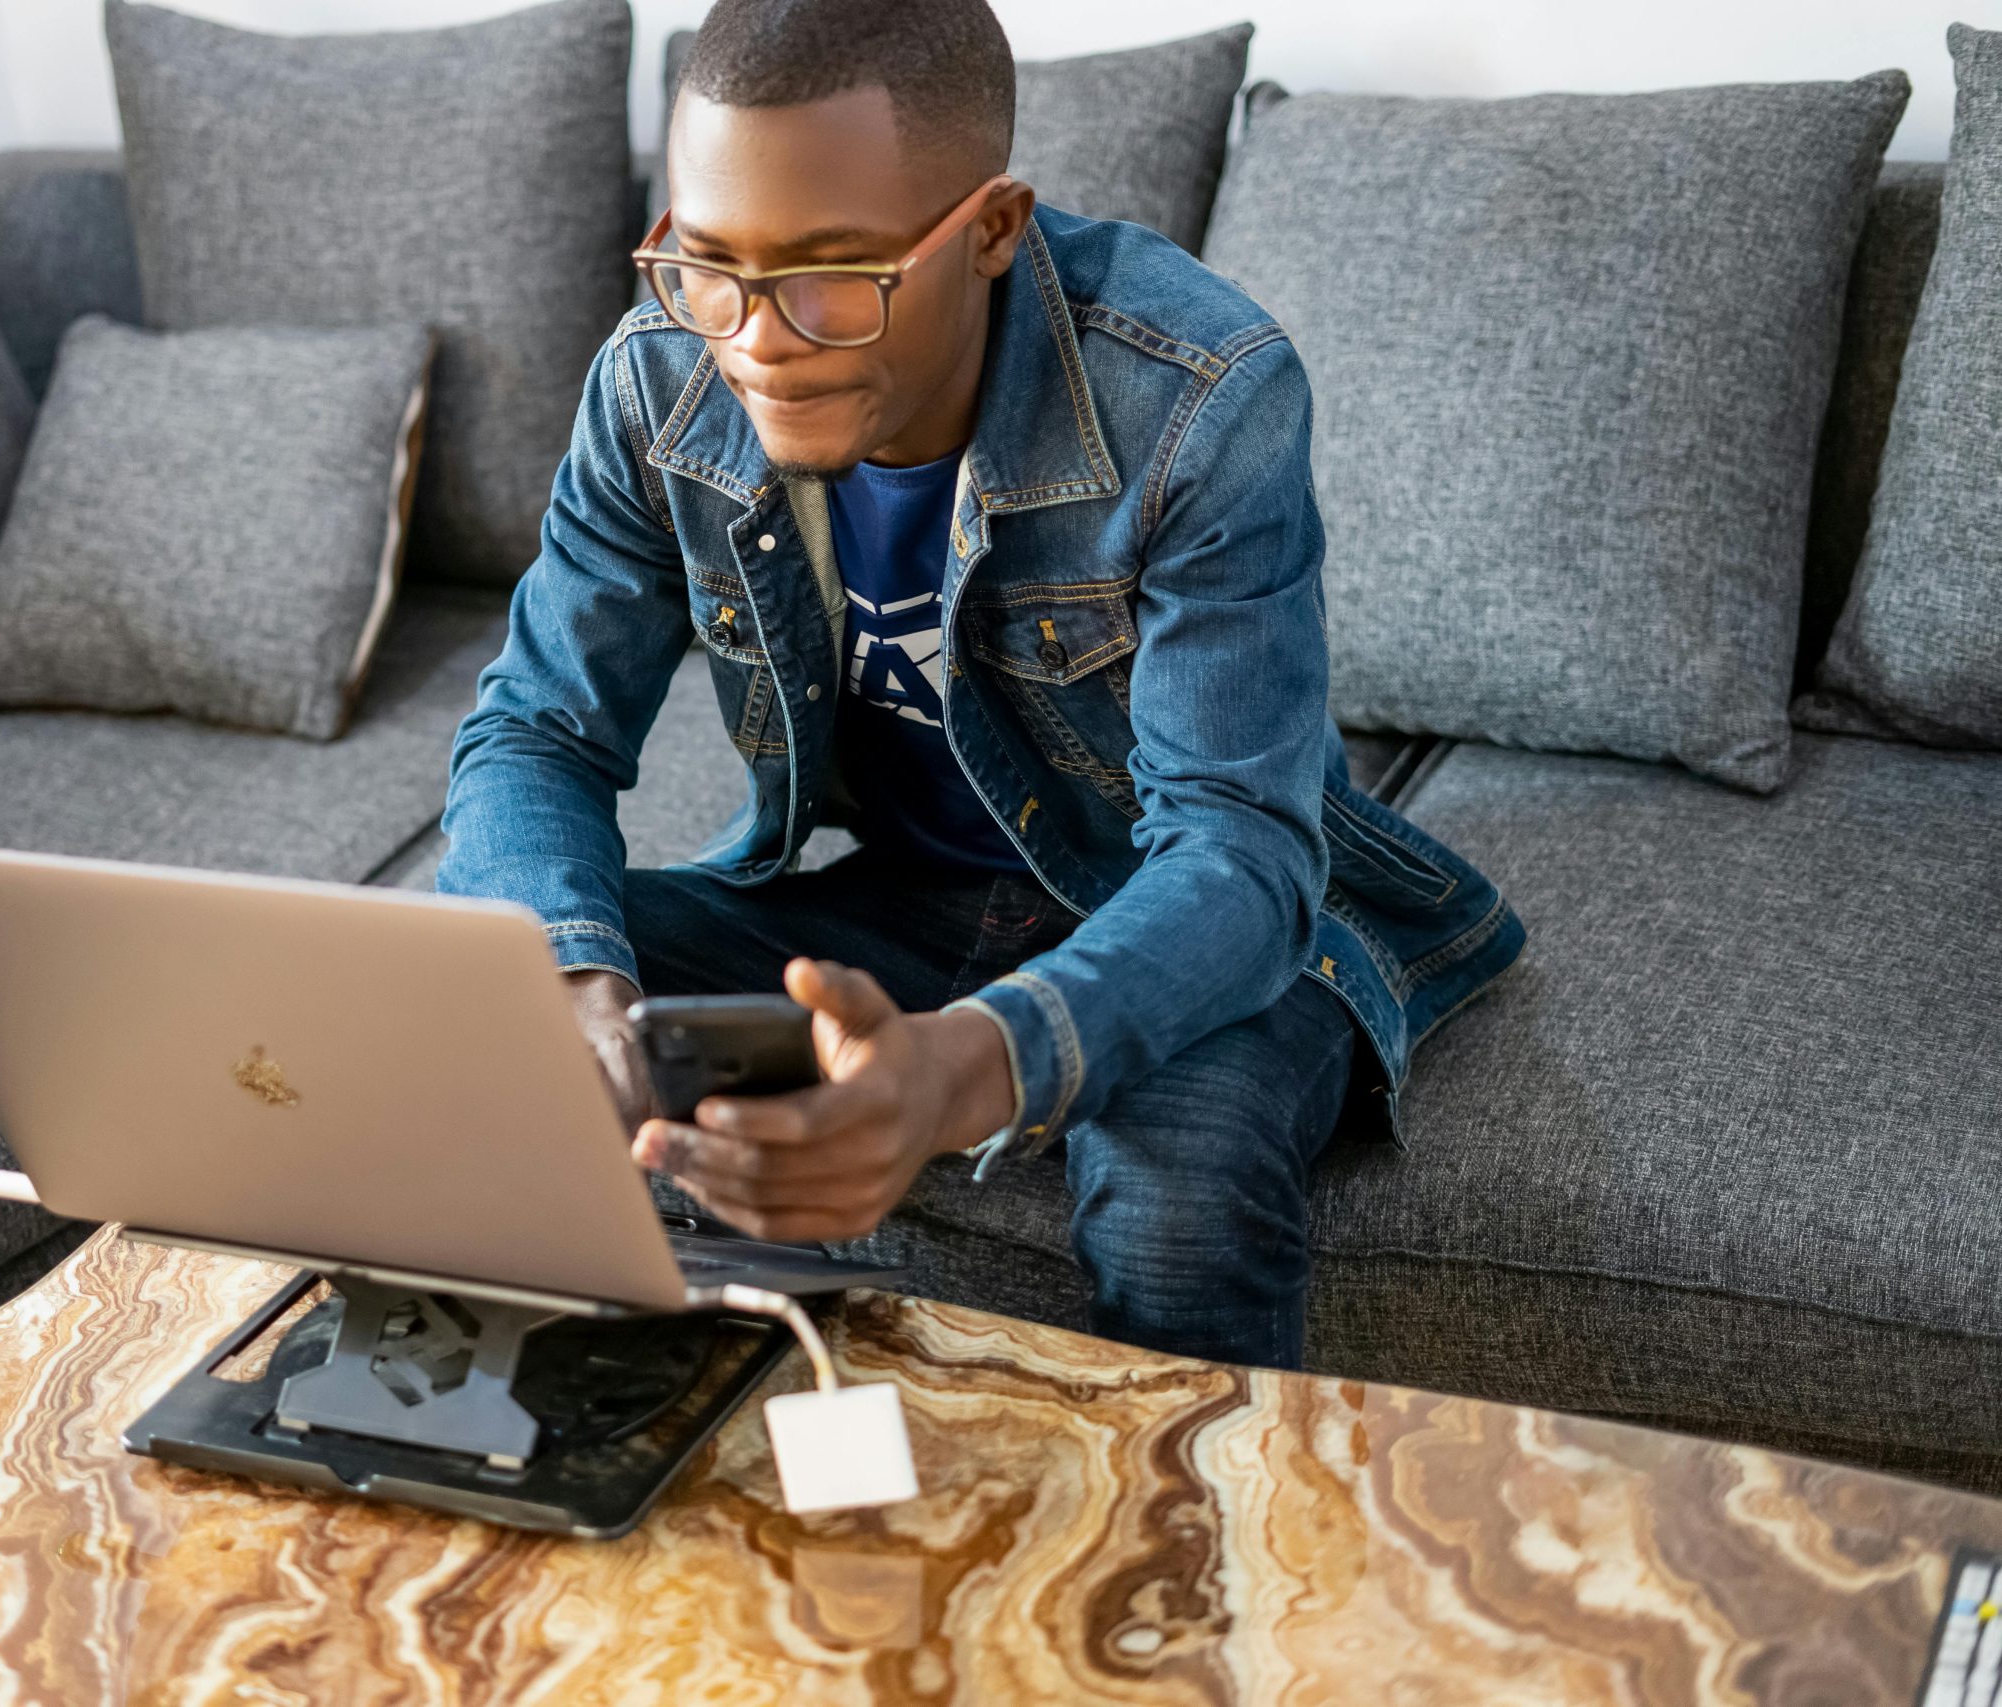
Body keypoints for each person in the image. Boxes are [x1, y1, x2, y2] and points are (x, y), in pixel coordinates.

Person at [436, 0, 1523, 1369]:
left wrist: (961, 1068)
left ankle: (1186, 1508)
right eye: (709, 266)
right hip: (899, 898)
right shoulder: (661, 383)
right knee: (481, 1005)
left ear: (994, 228)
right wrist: (574, 994)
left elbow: (1239, 857)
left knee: (1174, 1199)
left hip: (1179, 906)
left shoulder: (1198, 396)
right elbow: (538, 732)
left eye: (835, 273)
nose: (756, 339)